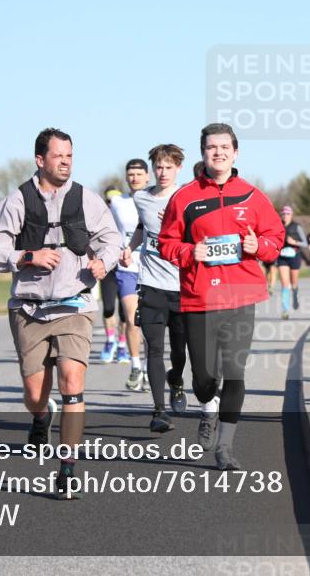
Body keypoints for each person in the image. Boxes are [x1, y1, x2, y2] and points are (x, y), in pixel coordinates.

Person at [0, 128, 121, 498]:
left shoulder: (86, 199)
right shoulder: (17, 201)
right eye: (58, 156)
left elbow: (112, 238)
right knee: (34, 393)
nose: (66, 162)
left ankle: (67, 469)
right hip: (29, 308)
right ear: (40, 160)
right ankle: (41, 417)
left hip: (74, 303)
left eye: (70, 156)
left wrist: (103, 263)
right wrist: (28, 256)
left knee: (72, 384)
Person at [158, 123, 284, 470]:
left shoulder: (253, 196)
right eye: (212, 147)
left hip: (242, 296)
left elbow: (276, 237)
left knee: (235, 372)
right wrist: (189, 253)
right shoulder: (184, 197)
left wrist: (261, 246)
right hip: (199, 298)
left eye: (224, 146)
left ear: (236, 152)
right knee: (203, 380)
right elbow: (165, 243)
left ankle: (225, 447)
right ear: (203, 153)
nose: (218, 152)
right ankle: (207, 405)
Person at [121, 144, 189, 432]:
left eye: (168, 167)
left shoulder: (186, 198)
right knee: (154, 347)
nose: (163, 172)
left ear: (178, 169)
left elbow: (201, 232)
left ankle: (176, 380)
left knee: (180, 351)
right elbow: (142, 226)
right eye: (159, 167)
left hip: (182, 285)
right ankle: (159, 411)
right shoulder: (142, 198)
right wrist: (129, 248)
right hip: (150, 284)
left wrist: (177, 224)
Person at [109, 159, 150, 391]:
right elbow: (110, 232)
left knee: (151, 324)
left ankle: (148, 366)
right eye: (130, 174)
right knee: (132, 318)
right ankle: (135, 366)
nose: (134, 178)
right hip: (127, 268)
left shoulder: (155, 200)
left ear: (147, 176)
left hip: (153, 269)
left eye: (138, 174)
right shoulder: (117, 202)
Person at [98, 185, 124, 363]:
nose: (112, 204)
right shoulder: (100, 219)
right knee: (108, 308)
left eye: (115, 201)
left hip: (126, 268)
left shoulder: (127, 217)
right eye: (109, 201)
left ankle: (122, 346)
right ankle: (110, 341)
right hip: (108, 268)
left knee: (125, 312)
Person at [276, 205, 306, 319]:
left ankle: (295, 294)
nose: (285, 216)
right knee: (284, 283)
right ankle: (285, 310)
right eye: (283, 214)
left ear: (291, 215)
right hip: (282, 257)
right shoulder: (277, 226)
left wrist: (295, 242)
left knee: (294, 283)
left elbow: (305, 243)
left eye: (287, 214)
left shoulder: (297, 227)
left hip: (294, 256)